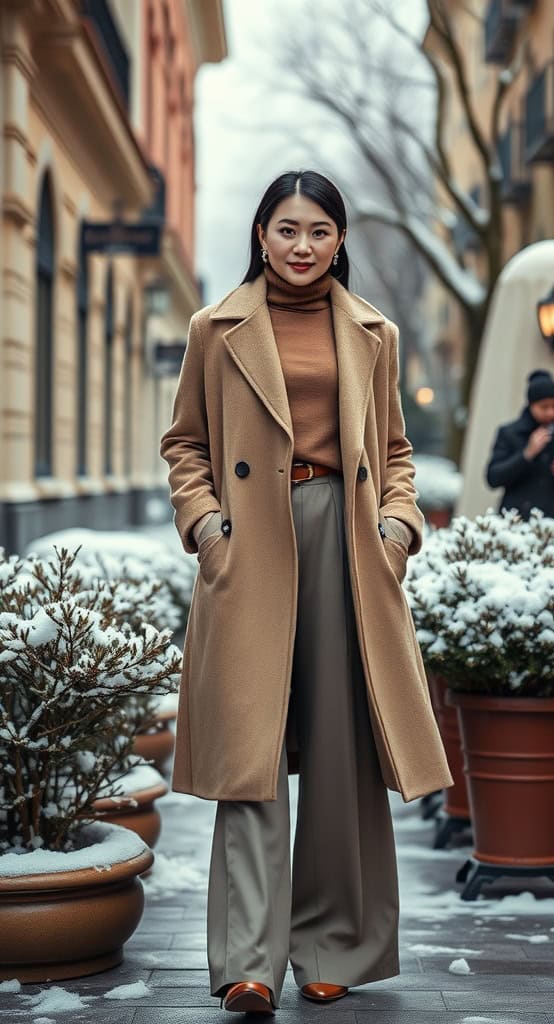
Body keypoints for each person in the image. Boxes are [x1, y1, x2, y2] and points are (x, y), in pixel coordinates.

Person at [160, 170, 452, 1015]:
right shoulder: (216, 328)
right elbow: (185, 443)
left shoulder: (373, 332)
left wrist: (398, 530)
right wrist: (208, 527)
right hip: (252, 544)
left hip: (349, 544)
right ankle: (249, 959)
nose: (302, 246)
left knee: (338, 749)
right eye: (287, 230)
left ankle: (332, 946)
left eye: (319, 231)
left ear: (340, 240)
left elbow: (394, 452)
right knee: (250, 758)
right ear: (261, 235)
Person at [486, 369, 554, 526]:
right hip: (517, 523)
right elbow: (493, 478)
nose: (551, 412)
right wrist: (527, 454)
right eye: (544, 407)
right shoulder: (509, 433)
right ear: (531, 405)